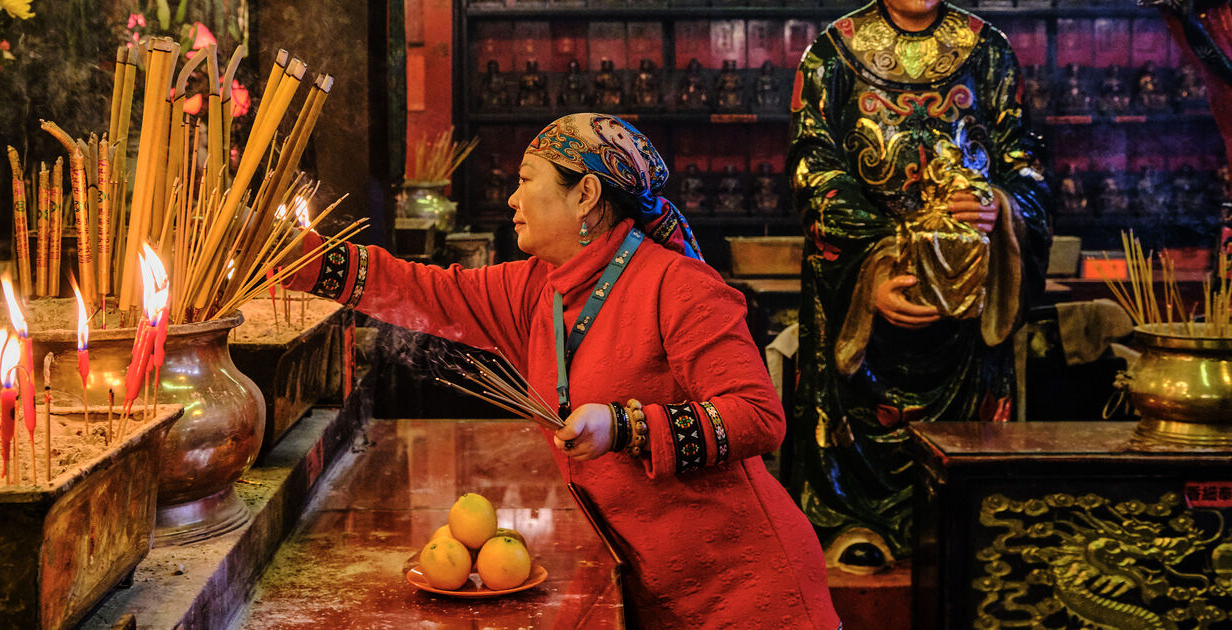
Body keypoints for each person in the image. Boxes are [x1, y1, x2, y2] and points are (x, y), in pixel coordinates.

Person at [286, 113, 840, 629]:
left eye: (526, 180)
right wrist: (299, 258)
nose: (511, 198)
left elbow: (759, 416)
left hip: (747, 592)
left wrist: (625, 426)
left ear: (587, 194)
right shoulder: (537, 290)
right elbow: (423, 290)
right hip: (651, 586)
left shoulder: (679, 287)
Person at [786, 0, 1052, 570]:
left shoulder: (987, 49)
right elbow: (815, 171)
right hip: (868, 276)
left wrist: (998, 205)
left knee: (967, 418)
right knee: (857, 401)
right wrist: (875, 264)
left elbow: (1024, 161)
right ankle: (856, 518)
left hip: (964, 284)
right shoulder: (832, 53)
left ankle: (966, 517)